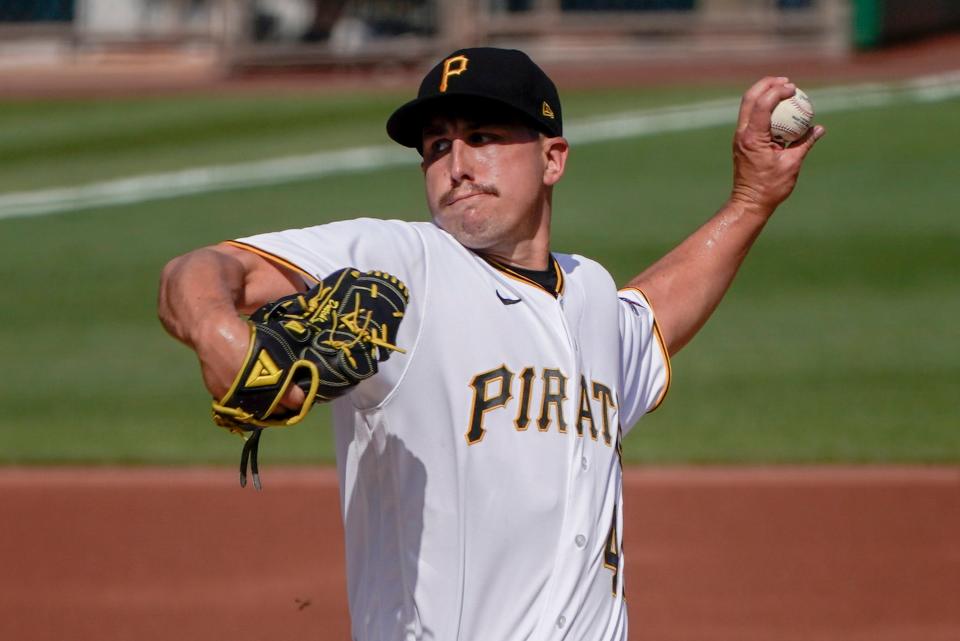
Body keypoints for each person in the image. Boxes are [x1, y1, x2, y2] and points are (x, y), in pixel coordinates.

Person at [158, 47, 823, 640]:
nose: (456, 164)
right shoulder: (406, 264)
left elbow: (651, 321)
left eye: (482, 136)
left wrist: (752, 201)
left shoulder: (590, 290)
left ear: (552, 157)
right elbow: (201, 272)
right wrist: (222, 334)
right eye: (437, 147)